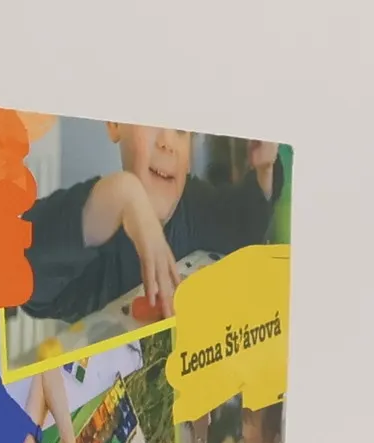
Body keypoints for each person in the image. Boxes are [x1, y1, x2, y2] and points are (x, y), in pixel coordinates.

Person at [21, 127, 283, 326]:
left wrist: (265, 170)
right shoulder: (102, 232)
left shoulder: (195, 203)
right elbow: (24, 263)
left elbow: (243, 226)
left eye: (181, 130)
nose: (167, 143)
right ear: (115, 124)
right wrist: (123, 193)